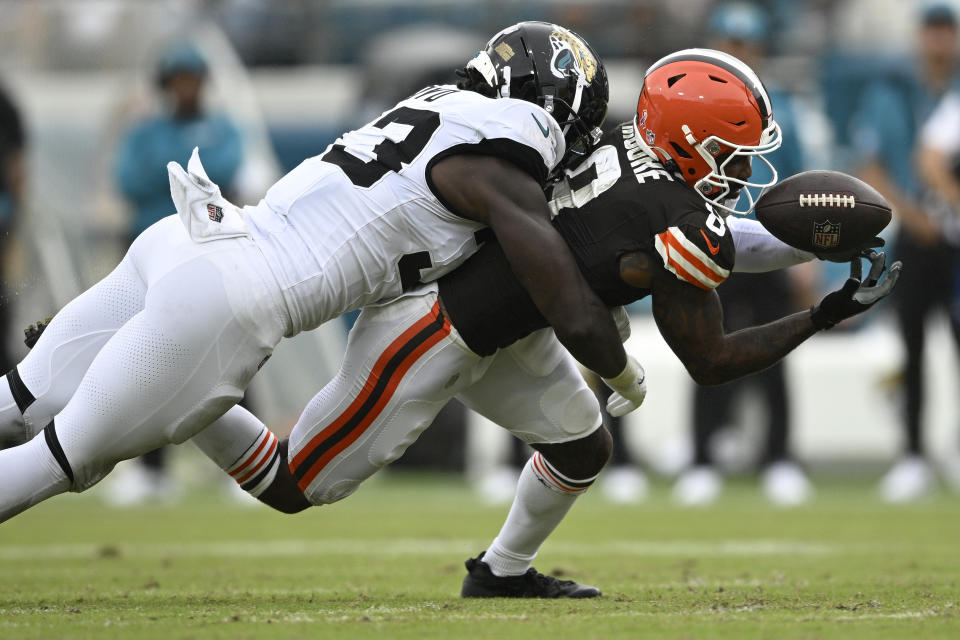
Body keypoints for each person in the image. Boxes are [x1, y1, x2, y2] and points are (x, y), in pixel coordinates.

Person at [183, 49, 894, 598]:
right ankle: (185, 390)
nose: (743, 170)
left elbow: (723, 237)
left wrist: (809, 244)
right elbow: (710, 359)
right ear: (691, 143)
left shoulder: (622, 150)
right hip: (438, 330)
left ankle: (501, 571)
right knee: (294, 485)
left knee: (581, 448)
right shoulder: (674, 219)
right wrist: (824, 313)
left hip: (515, 329)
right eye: (733, 154)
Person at [0, 22, 636, 527]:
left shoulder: (439, 106)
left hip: (185, 240)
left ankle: (165, 380)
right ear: (549, 108)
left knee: (17, 402)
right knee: (52, 460)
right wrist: (621, 372)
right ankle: (168, 382)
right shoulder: (508, 147)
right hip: (227, 299)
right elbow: (564, 298)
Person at [672, 1, 816, 507]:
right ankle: (702, 457)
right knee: (704, 346)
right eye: (728, 42)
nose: (737, 51)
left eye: (744, 43)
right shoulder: (690, 104)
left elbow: (802, 185)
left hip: (768, 243)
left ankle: (778, 457)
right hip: (711, 240)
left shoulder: (785, 112)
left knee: (777, 352)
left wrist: (808, 258)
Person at [110, 41, 245, 505]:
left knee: (232, 351)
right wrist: (182, 174)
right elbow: (129, 179)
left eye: (193, 79)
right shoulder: (144, 132)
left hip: (207, 255)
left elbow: (223, 170)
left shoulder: (222, 127)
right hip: (151, 257)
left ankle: (245, 469)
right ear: (167, 85)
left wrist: (173, 174)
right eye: (178, 80)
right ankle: (150, 471)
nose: (186, 88)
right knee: (143, 357)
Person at [848, 3, 959, 502]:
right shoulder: (890, 92)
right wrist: (916, 216)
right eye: (933, 32)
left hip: (956, 237)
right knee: (912, 350)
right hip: (914, 235)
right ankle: (913, 454)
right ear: (921, 37)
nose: (939, 41)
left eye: (947, 32)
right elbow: (869, 164)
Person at [911, 76, 960, 494]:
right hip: (947, 249)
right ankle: (915, 455)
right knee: (917, 350)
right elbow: (929, 160)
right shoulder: (954, 106)